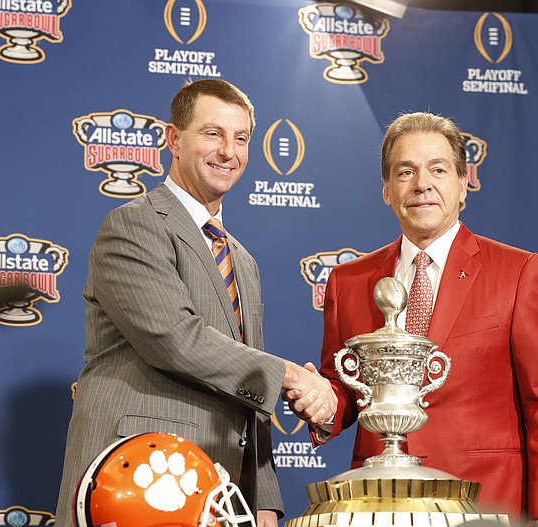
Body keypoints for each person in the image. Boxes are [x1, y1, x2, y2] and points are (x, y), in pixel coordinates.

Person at [55, 79, 336, 527]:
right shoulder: (134, 224)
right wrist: (289, 374)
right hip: (133, 485)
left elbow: (247, 392)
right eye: (212, 133)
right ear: (173, 138)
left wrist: (262, 496)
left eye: (240, 138)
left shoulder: (242, 260)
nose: (228, 151)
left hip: (220, 497)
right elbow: (176, 340)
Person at [308, 112, 538, 522]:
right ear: (386, 190)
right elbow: (345, 392)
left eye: (438, 169)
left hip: (485, 507)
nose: (422, 185)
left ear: (463, 183)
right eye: (405, 172)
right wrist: (321, 402)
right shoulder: (348, 280)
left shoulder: (518, 272)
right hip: (380, 508)